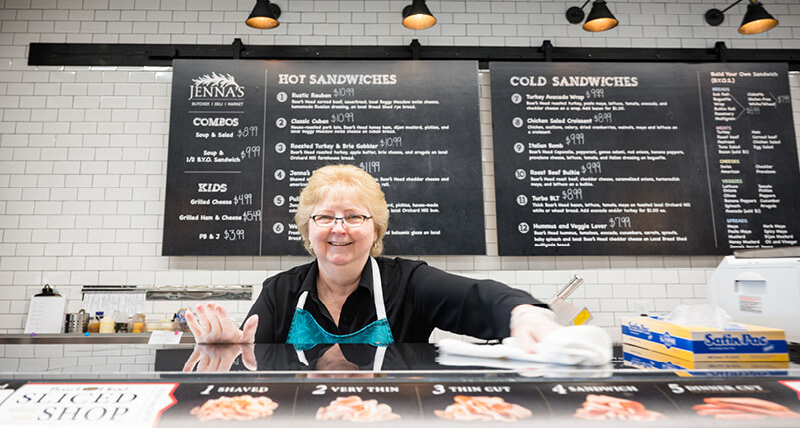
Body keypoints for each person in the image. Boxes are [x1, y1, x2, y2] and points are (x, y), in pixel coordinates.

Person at [186, 164, 563, 352]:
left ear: (376, 229)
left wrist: (525, 314)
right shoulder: (280, 291)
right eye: (324, 217)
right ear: (307, 229)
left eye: (354, 216)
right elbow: (252, 361)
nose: (339, 228)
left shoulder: (409, 282)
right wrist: (230, 350)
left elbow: (478, 298)